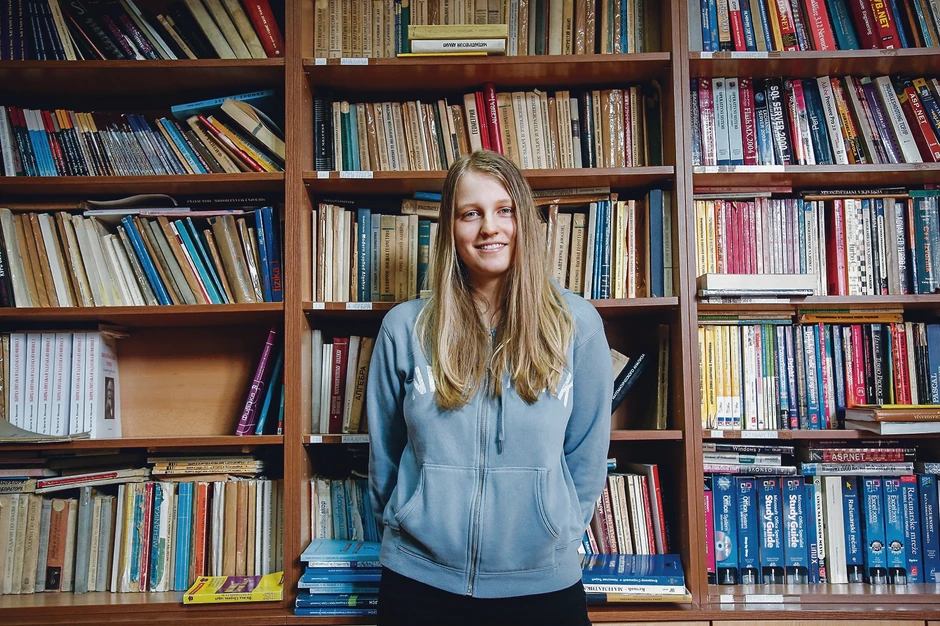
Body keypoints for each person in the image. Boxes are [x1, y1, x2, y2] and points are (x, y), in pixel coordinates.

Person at [367, 150, 613, 626]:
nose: (490, 228)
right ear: (450, 227)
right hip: (418, 584)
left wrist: (556, 533)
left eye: (505, 210)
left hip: (543, 586)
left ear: (524, 221)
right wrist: (411, 523)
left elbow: (586, 454)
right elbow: (385, 457)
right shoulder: (405, 329)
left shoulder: (577, 326)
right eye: (470, 214)